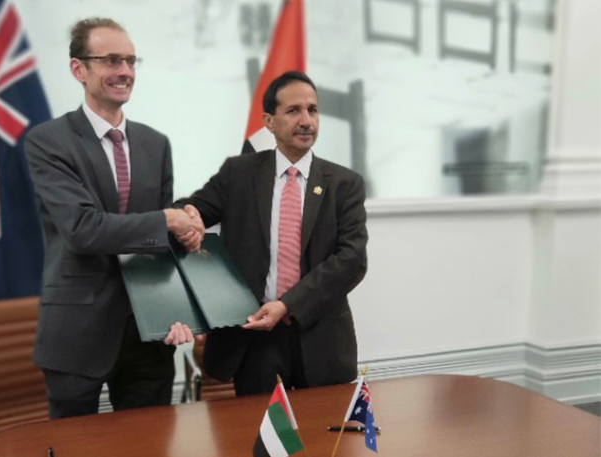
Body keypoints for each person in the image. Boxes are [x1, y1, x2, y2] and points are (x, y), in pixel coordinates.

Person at [25, 17, 203, 418]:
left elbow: (159, 241)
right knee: (74, 448)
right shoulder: (48, 142)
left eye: (130, 61)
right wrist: (168, 221)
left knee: (149, 446)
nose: (124, 72)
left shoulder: (155, 144)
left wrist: (185, 231)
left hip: (149, 334)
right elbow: (83, 230)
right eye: (110, 61)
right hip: (77, 335)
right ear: (78, 69)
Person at [177, 71, 368, 396]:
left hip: (320, 336)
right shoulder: (239, 173)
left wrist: (288, 305)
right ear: (268, 120)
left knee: (322, 441)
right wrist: (187, 215)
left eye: (313, 109)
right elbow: (195, 209)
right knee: (262, 441)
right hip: (255, 340)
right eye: (294, 111)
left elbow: (352, 260)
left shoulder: (343, 183)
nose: (306, 120)